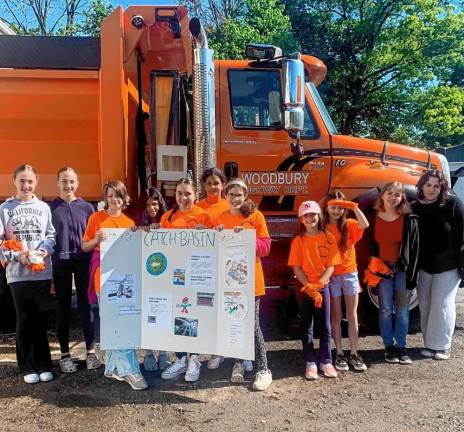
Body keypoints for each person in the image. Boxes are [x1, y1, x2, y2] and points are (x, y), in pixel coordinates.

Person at [82, 180, 148, 390]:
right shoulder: (96, 218)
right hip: (103, 275)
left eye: (117, 196)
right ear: (105, 198)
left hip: (123, 276)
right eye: (110, 196)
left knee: (122, 321)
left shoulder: (129, 222)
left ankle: (112, 366)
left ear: (124, 198)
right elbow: (85, 246)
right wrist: (96, 240)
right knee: (112, 320)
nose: (114, 200)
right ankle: (129, 370)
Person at [213, 178, 273, 391]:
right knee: (234, 323)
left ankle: (263, 369)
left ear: (245, 196)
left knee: (253, 325)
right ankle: (239, 363)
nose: (235, 198)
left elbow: (266, 247)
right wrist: (217, 234)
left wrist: (248, 238)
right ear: (225, 195)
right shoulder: (220, 218)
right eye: (231, 194)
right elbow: (213, 248)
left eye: (239, 194)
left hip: (250, 281)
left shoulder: (255, 216)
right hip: (228, 281)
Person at [0, 164, 56, 384]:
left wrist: (42, 251)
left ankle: (44, 364)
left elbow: (51, 235)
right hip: (18, 273)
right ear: (14, 181)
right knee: (23, 320)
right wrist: (18, 257)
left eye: (30, 181)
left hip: (41, 273)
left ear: (36, 182)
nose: (26, 185)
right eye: (22, 181)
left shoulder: (43, 207)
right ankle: (26, 365)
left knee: (41, 319)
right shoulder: (5, 209)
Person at [159, 178, 213, 382]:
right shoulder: (167, 217)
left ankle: (195, 359)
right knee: (177, 315)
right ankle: (181, 359)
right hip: (174, 275)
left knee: (195, 315)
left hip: (198, 276)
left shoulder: (204, 216)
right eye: (180, 193)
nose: (183, 197)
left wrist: (207, 233)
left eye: (187, 193)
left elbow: (215, 243)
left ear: (195, 194)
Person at [50, 167, 99, 374]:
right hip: (60, 262)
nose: (68, 185)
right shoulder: (51, 208)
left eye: (71, 181)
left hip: (83, 260)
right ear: (57, 183)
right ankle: (64, 355)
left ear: (77, 183)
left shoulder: (87, 207)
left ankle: (90, 351)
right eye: (64, 181)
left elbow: (95, 234)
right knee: (62, 308)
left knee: (86, 306)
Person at [412, 170, 464, 360]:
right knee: (425, 305)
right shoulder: (415, 207)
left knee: (441, 304)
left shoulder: (453, 204)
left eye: (436, 186)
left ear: (442, 187)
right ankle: (430, 344)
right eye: (428, 185)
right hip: (425, 266)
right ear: (421, 186)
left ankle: (443, 347)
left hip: (449, 265)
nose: (431, 189)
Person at [365, 181, 419, 364]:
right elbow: (370, 244)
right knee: (386, 310)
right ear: (382, 195)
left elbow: (414, 247)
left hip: (402, 268)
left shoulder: (409, 218)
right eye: (389, 193)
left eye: (397, 194)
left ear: (402, 197)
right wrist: (375, 264)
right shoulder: (373, 218)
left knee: (403, 311)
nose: (393, 197)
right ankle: (389, 347)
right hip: (383, 269)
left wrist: (412, 269)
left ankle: (401, 348)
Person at [288, 200, 341, 380]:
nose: (309, 218)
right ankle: (310, 361)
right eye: (306, 215)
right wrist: (309, 287)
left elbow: (332, 265)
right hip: (304, 288)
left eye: (313, 215)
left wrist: (319, 285)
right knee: (306, 325)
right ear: (301, 219)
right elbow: (296, 267)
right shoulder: (298, 240)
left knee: (325, 325)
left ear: (319, 217)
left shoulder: (328, 238)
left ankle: (326, 360)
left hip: (322, 287)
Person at [321, 191, 369, 372]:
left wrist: (353, 206)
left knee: (352, 315)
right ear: (327, 208)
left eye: (340, 207)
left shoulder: (349, 224)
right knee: (336, 314)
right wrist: (327, 202)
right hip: (332, 274)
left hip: (350, 273)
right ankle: (339, 352)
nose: (336, 211)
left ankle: (354, 352)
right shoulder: (323, 226)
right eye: (333, 207)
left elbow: (365, 224)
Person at [131, 187, 170, 372]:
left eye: (154, 203)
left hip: (163, 279)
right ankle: (148, 354)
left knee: (163, 316)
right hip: (145, 278)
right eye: (148, 205)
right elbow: (129, 236)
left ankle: (163, 354)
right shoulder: (138, 222)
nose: (152, 208)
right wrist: (140, 230)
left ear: (160, 204)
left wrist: (161, 228)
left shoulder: (168, 220)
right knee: (147, 317)